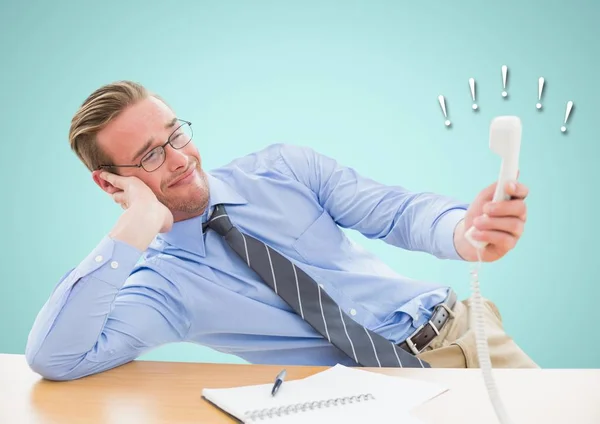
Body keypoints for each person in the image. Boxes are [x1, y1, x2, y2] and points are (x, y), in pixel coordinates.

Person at [25, 80, 538, 381]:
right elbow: (57, 356)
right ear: (109, 182)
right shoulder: (165, 288)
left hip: (462, 332)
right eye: (151, 156)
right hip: (368, 397)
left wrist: (463, 232)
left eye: (175, 134)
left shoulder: (283, 169)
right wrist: (133, 226)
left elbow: (396, 213)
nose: (180, 159)